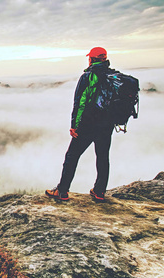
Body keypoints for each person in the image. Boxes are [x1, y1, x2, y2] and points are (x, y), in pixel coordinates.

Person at [46, 47, 115, 202]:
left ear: (91, 59)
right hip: (107, 125)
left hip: (89, 124)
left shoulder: (88, 77)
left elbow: (80, 103)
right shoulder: (112, 76)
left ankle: (62, 191)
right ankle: (99, 192)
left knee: (72, 156)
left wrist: (74, 125)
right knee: (103, 157)